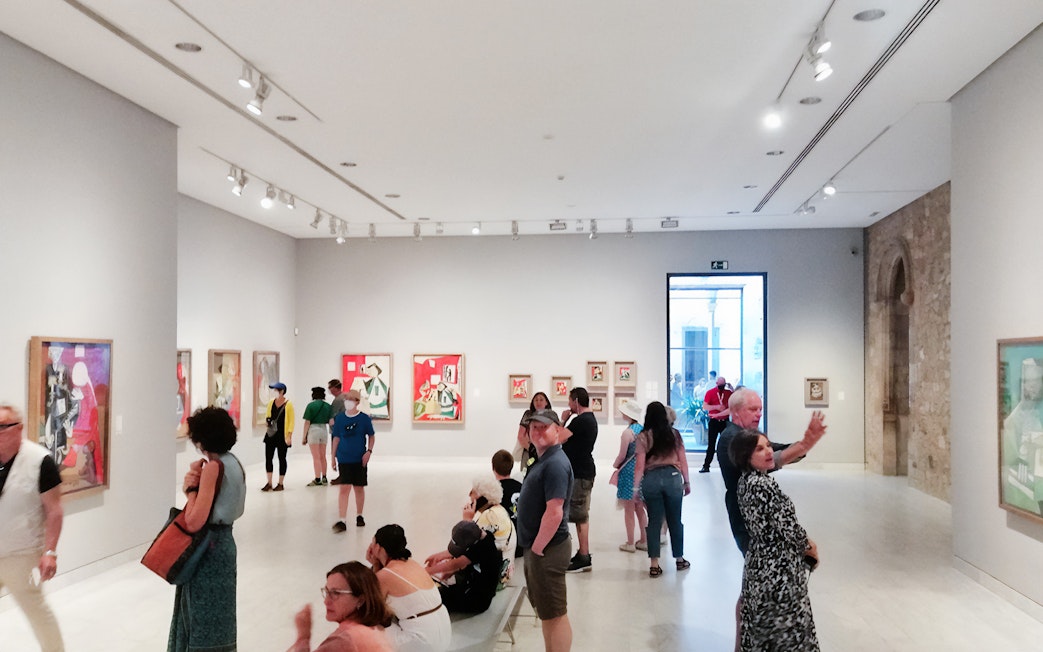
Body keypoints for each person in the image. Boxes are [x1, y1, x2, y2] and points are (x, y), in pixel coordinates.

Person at [716, 388, 826, 651]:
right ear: (737, 411)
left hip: (758, 534)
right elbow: (773, 458)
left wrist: (803, 445)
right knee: (757, 597)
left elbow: (774, 452)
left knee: (753, 595)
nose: (759, 412)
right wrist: (804, 444)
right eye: (753, 409)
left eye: (760, 408)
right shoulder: (732, 439)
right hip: (753, 531)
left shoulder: (748, 441)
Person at [730, 429, 820, 651]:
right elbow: (788, 527)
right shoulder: (763, 485)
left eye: (768, 446)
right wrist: (810, 547)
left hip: (758, 563)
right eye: (759, 449)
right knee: (786, 630)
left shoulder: (746, 481)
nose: (769, 452)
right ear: (745, 456)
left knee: (763, 626)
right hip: (778, 569)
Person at [170, 406, 247, 651]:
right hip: (225, 545)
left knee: (201, 617)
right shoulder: (234, 462)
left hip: (208, 548)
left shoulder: (213, 467)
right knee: (222, 616)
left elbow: (194, 521)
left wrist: (190, 490)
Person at [0, 404, 64, 652]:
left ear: (19, 428)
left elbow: (54, 511)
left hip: (22, 554)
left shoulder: (40, 462)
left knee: (36, 612)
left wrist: (50, 552)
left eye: (3, 427)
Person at [516, 411, 574, 651]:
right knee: (548, 613)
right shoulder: (544, 459)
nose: (538, 432)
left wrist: (538, 546)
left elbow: (555, 511)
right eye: (534, 427)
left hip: (547, 550)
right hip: (540, 549)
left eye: (544, 427)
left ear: (557, 430)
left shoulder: (555, 465)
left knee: (555, 613)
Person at [366, 524, 451, 652]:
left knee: (366, 629)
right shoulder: (413, 563)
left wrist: (374, 566)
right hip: (444, 631)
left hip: (422, 640)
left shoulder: (384, 575)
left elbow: (371, 608)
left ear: (378, 548)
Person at [633, 401, 690, 577]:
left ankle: (654, 564)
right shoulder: (674, 435)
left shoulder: (642, 437)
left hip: (651, 479)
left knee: (654, 522)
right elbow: (683, 460)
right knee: (675, 520)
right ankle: (679, 559)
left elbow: (639, 466)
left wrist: (635, 489)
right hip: (673, 478)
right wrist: (686, 482)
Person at [287, 561, 393, 652]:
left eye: (336, 593)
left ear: (361, 600)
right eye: (327, 592)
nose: (326, 601)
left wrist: (303, 636)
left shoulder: (344, 641)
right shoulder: (375, 629)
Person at [424, 521, 502, 615]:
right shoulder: (481, 536)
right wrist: (437, 556)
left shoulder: (482, 548)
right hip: (473, 580)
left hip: (478, 600)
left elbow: (455, 564)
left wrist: (427, 571)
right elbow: (459, 555)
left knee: (435, 599)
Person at [560, 387, 597, 573]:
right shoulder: (587, 420)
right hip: (582, 472)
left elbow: (559, 437)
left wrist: (563, 419)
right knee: (579, 513)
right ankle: (582, 553)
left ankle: (584, 555)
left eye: (569, 400)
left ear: (575, 401)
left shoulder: (581, 421)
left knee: (580, 514)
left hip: (581, 474)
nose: (568, 404)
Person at [331, 389, 375, 531]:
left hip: (359, 458)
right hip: (344, 458)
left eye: (351, 399)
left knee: (359, 488)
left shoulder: (364, 419)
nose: (348, 401)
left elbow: (371, 436)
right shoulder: (340, 418)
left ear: (357, 402)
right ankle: (342, 519)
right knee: (344, 488)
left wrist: (369, 451)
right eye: (346, 398)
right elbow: (336, 438)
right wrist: (332, 457)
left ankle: (359, 515)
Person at [462, 476, 515, 583]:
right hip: (503, 574)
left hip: (490, 578)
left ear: (481, 497)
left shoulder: (488, 516)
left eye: (472, 492)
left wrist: (467, 521)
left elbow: (468, 548)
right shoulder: (499, 510)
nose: (469, 495)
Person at [613, 399, 647, 553]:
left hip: (628, 472)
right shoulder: (643, 430)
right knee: (640, 507)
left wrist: (615, 465)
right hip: (641, 471)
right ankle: (644, 540)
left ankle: (630, 542)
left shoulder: (628, 432)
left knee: (629, 508)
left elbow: (622, 455)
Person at [516, 392, 557, 476]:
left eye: (541, 400)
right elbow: (521, 436)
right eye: (536, 400)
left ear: (546, 402)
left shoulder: (552, 415)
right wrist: (532, 450)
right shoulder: (528, 414)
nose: (538, 402)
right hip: (529, 453)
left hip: (547, 453)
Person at [262, 382, 294, 492]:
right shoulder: (271, 403)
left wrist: (289, 435)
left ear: (282, 392)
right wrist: (268, 422)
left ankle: (280, 483)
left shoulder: (288, 404)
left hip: (282, 435)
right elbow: (268, 416)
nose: (273, 392)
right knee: (268, 458)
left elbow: (291, 421)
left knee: (282, 458)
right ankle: (269, 482)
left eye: (275, 390)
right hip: (271, 434)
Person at [700, 375, 733, 473]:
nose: (722, 386)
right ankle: (706, 466)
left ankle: (729, 466)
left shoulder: (729, 393)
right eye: (720, 385)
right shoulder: (710, 393)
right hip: (714, 421)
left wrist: (732, 388)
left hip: (725, 422)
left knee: (727, 445)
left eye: (723, 385)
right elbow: (705, 407)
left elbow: (736, 401)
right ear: (716, 384)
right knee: (711, 445)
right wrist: (716, 407)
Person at [302, 386, 333, 487]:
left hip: (314, 430)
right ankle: (324, 477)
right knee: (323, 456)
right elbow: (330, 420)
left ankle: (317, 478)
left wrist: (304, 437)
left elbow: (307, 422)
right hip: (324, 429)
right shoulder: (328, 406)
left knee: (316, 457)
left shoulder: (311, 406)